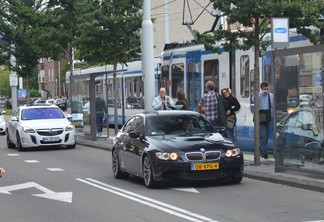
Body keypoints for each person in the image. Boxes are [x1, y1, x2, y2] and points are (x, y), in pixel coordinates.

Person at [258, 81, 274, 159]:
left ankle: (262, 148)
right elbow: (255, 101)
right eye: (265, 89)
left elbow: (273, 106)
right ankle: (264, 151)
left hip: (269, 116)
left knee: (267, 134)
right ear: (261, 89)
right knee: (263, 134)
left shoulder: (271, 96)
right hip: (261, 117)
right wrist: (261, 94)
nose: (266, 91)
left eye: (267, 89)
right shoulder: (259, 96)